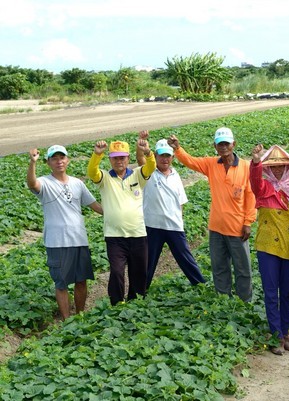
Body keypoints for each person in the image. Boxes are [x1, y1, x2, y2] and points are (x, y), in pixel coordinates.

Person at [168, 127, 256, 302]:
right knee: (219, 267)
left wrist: (248, 222)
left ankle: (244, 302)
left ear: (233, 144)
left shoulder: (246, 167)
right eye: (219, 144)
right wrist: (178, 148)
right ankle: (223, 299)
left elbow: (250, 196)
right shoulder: (211, 164)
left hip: (237, 227)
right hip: (216, 227)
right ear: (215, 146)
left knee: (243, 268)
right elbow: (191, 161)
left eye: (226, 144)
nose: (223, 147)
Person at [27, 145, 103, 320]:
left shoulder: (77, 183)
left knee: (81, 280)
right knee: (61, 283)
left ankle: (80, 315)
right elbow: (32, 183)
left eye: (62, 157)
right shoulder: (45, 183)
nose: (59, 161)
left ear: (67, 160)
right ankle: (67, 319)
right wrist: (32, 163)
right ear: (48, 162)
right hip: (57, 242)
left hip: (79, 239)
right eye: (54, 158)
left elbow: (95, 206)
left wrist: (116, 213)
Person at [87, 136, 156, 306]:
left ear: (128, 158)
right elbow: (92, 172)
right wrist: (97, 155)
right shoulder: (105, 178)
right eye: (115, 158)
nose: (119, 161)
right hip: (115, 236)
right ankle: (117, 304)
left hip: (138, 234)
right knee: (117, 271)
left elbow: (151, 166)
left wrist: (147, 151)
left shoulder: (138, 175)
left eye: (122, 157)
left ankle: (136, 302)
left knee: (138, 272)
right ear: (110, 159)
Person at [250, 143, 289, 355]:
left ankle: (285, 331)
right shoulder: (264, 188)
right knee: (271, 292)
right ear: (268, 169)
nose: (278, 170)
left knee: (287, 292)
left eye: (282, 167)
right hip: (268, 246)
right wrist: (255, 162)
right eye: (274, 167)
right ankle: (277, 333)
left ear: (288, 168)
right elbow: (254, 181)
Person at [143, 139, 206, 289]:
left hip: (174, 225)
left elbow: (180, 202)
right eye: (161, 155)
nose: (165, 159)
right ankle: (140, 292)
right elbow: (141, 159)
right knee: (148, 262)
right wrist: (144, 149)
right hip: (153, 225)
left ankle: (201, 286)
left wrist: (179, 220)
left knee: (186, 258)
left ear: (172, 157)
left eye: (168, 156)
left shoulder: (176, 175)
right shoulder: (148, 173)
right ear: (155, 156)